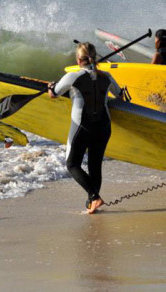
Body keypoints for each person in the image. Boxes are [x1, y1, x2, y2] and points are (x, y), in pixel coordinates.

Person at [48, 42, 125, 214]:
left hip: (83, 127)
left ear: (78, 59)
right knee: (95, 165)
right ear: (95, 57)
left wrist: (50, 87)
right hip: (104, 127)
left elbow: (54, 94)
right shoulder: (107, 76)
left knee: (72, 163)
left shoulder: (72, 77)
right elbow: (121, 95)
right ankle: (93, 202)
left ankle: (94, 197)